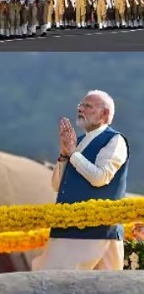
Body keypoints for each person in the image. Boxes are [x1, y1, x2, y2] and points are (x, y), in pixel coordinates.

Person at [32, 90, 129, 270]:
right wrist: (63, 154)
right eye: (80, 105)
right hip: (69, 229)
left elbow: (100, 178)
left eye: (88, 106)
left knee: (63, 284)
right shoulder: (77, 142)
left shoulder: (114, 140)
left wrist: (73, 154)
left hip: (96, 231)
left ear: (105, 113)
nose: (80, 109)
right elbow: (56, 186)